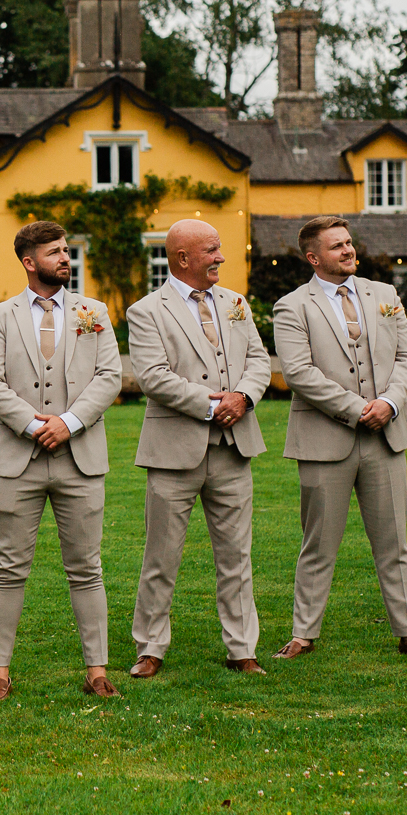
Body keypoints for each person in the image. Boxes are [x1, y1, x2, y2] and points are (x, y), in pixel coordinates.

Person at [269, 216, 407, 659]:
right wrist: (356, 409)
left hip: (387, 434)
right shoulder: (292, 306)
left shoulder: (384, 295)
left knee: (394, 540)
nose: (347, 250)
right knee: (318, 542)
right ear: (313, 257)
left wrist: (390, 404)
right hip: (326, 438)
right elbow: (299, 372)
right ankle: (304, 634)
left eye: (348, 243)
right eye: (337, 246)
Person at [0, 220, 123, 699]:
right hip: (19, 458)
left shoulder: (93, 312)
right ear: (28, 261)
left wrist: (70, 422)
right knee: (8, 566)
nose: (65, 258)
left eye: (66, 251)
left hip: (81, 458)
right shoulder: (0, 317)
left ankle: (97, 670)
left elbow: (109, 376)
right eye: (55, 252)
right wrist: (35, 424)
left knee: (87, 567)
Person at [125, 219, 272, 677]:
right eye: (211, 249)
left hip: (234, 449)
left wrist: (243, 397)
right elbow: (153, 376)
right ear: (182, 258)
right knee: (161, 556)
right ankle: (150, 648)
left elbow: (259, 361)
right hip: (173, 451)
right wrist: (213, 406)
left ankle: (242, 648)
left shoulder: (236, 304)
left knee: (237, 556)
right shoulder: (146, 310)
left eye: (219, 247)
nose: (221, 257)